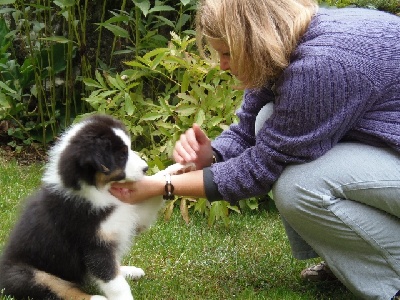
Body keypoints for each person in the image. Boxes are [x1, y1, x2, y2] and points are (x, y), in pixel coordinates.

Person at [110, 0, 400, 299]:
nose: (222, 64)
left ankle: (392, 285)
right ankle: (349, 260)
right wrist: (211, 156)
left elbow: (258, 171)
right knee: (268, 120)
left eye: (227, 53)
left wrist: (163, 186)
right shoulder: (287, 43)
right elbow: (248, 129)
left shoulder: (321, 65)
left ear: (254, 41)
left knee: (300, 187)